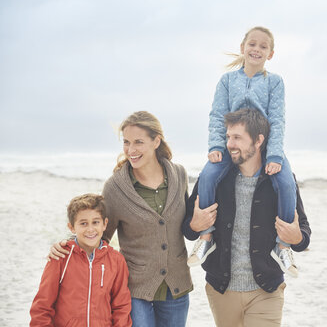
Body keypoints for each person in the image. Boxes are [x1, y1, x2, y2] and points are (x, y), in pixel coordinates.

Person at [48, 111, 192, 327]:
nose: (130, 150)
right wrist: (67, 245)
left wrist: (200, 224)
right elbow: (99, 237)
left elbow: (187, 227)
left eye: (138, 142)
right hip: (135, 288)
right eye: (126, 142)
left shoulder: (179, 175)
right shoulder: (116, 187)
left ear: (156, 141)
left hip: (176, 285)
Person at [187, 26, 299, 278]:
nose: (256, 49)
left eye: (263, 46)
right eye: (252, 44)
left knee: (286, 183)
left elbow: (277, 120)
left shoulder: (275, 82)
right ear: (243, 48)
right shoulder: (227, 81)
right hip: (232, 144)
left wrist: (274, 156)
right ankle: (206, 238)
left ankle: (282, 247)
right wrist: (216, 147)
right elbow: (217, 115)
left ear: (270, 54)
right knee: (206, 177)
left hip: (265, 145)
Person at [183, 108, 311, 326]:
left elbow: (304, 236)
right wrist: (195, 225)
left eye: (237, 138)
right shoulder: (215, 179)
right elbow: (187, 228)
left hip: (266, 290)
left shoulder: (280, 181)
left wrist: (296, 237)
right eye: (228, 137)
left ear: (258, 140)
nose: (230, 144)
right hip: (221, 290)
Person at [30, 193, 132, 326]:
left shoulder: (116, 260)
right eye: (83, 223)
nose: (90, 229)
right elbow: (42, 306)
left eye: (95, 222)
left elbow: (121, 306)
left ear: (104, 224)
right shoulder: (60, 257)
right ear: (72, 227)